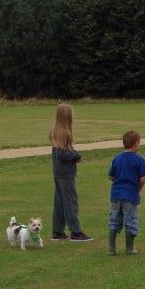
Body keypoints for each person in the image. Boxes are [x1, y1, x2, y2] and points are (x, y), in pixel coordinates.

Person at [49, 103, 92, 242]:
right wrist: (76, 156)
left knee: (60, 202)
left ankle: (57, 231)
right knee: (71, 201)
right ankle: (76, 232)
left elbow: (61, 151)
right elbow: (62, 153)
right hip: (66, 173)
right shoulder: (64, 133)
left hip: (58, 171)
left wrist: (73, 154)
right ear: (67, 116)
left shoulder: (54, 131)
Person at [107, 130, 145, 255]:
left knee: (114, 218)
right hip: (130, 195)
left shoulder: (117, 158)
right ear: (136, 144)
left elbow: (110, 176)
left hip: (116, 194)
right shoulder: (139, 160)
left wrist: (119, 181)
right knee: (130, 220)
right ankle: (129, 248)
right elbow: (143, 178)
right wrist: (138, 188)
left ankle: (111, 249)